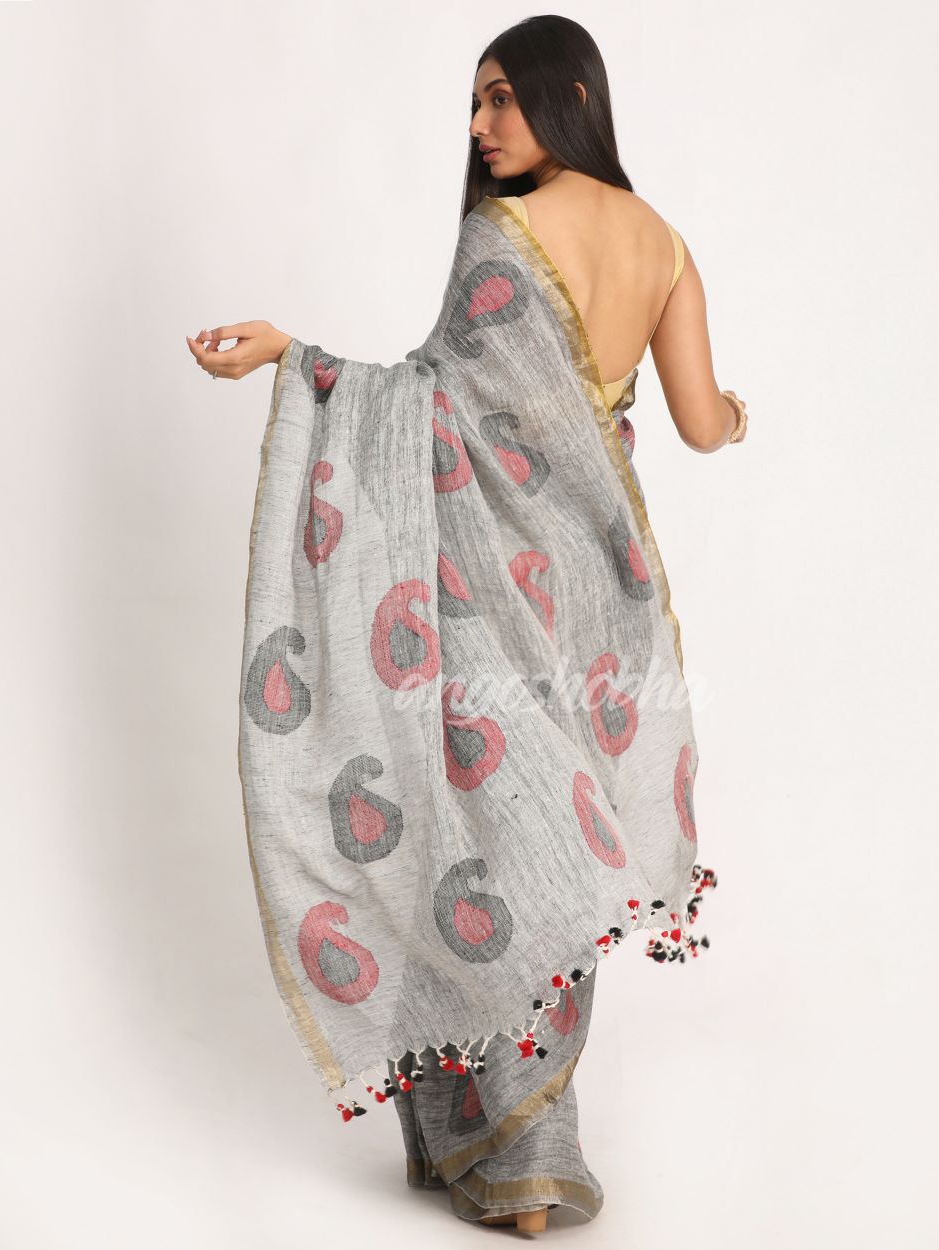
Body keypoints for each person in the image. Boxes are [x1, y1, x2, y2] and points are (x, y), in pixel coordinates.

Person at [186, 14, 745, 1234]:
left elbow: (431, 401)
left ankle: (523, 1149)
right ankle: (513, 1143)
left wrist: (297, 360)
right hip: (597, 595)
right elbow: (703, 425)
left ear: (570, 96)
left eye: (500, 97)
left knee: (498, 841)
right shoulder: (665, 247)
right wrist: (738, 412)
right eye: (475, 102)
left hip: (492, 588)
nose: (481, 126)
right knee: (552, 845)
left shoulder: (506, 232)